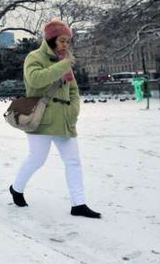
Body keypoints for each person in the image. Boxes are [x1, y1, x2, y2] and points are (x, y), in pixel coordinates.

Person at [9, 20, 101, 219]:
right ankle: (16, 188)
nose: (66, 45)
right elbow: (35, 81)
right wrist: (62, 66)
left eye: (68, 41)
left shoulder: (64, 60)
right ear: (51, 39)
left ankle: (79, 204)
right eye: (62, 40)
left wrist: (74, 109)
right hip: (41, 118)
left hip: (65, 120)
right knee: (37, 159)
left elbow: (73, 89)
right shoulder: (34, 57)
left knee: (73, 161)